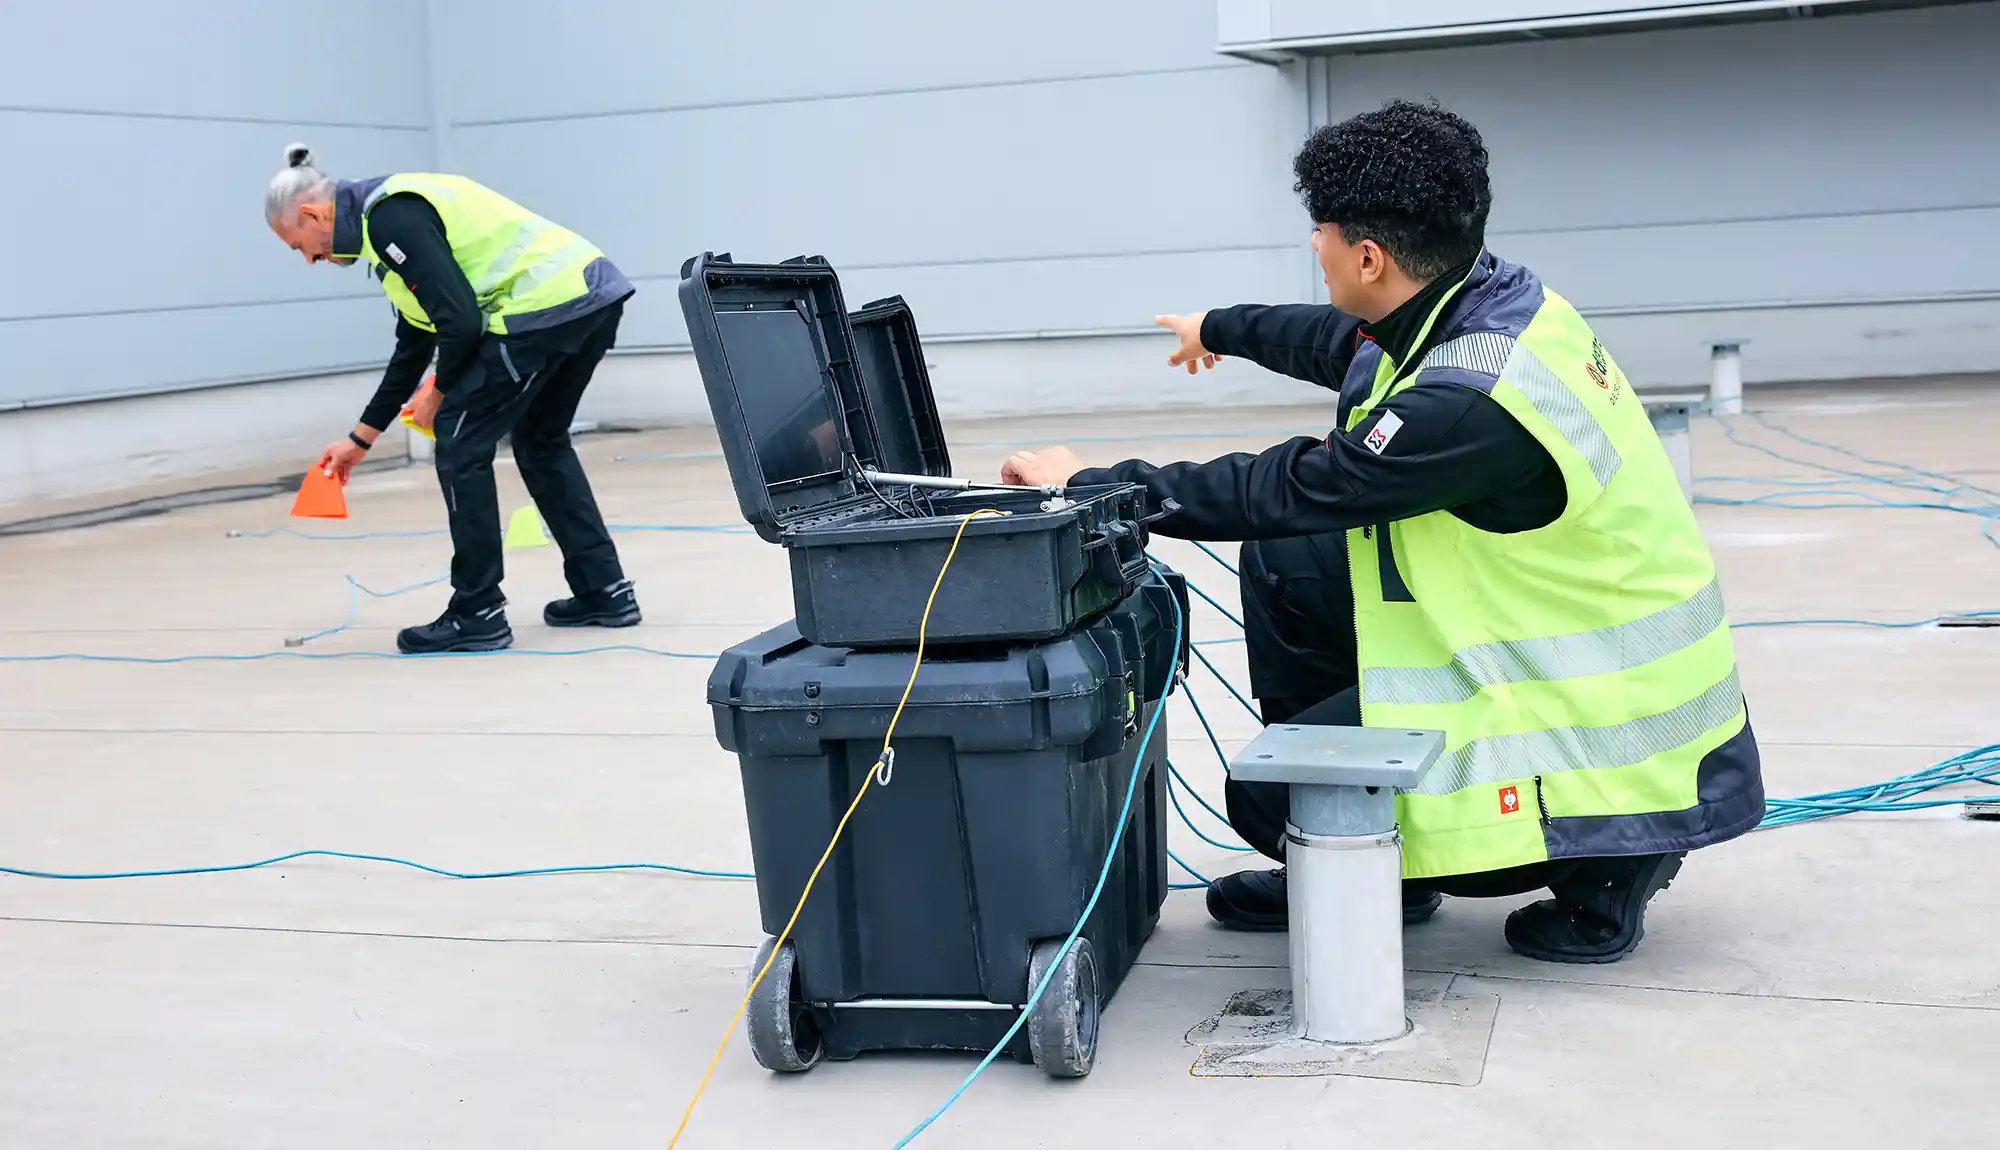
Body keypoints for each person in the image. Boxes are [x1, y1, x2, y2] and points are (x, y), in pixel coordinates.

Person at [1002, 100, 1765, 964]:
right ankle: (1379, 865)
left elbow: (1292, 486)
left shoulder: (1469, 402)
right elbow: (1340, 342)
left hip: (1601, 724)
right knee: (1291, 564)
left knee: (1273, 799)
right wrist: (1215, 328)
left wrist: (1093, 485)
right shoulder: (1475, 297)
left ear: (1367, 256)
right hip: (1538, 644)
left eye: (1320, 234)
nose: (1315, 250)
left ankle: (1609, 860)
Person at [263, 144, 642, 654]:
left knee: (461, 441)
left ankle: (477, 611)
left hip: (541, 308)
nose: (310, 259)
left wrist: (439, 393)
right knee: (540, 440)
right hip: (589, 294)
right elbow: (415, 342)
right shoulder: (387, 229)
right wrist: (361, 439)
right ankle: (605, 590)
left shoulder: (391, 217)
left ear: (312, 214)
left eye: (298, 245)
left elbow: (460, 322)